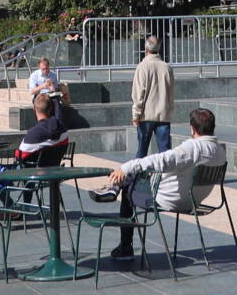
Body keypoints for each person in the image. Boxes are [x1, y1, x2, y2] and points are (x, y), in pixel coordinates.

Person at [80, 107, 227, 261]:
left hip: (172, 199)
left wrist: (126, 168)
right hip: (195, 200)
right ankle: (114, 187)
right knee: (136, 175)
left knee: (129, 187)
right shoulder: (220, 150)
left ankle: (125, 245)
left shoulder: (192, 148)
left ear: (193, 128)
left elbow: (161, 160)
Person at [131, 36, 174, 162]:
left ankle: (138, 178)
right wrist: (169, 111)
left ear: (145, 48)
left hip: (146, 115)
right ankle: (166, 177)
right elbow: (171, 92)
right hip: (163, 115)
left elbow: (138, 94)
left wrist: (135, 115)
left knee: (141, 151)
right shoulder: (166, 67)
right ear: (159, 48)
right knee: (165, 153)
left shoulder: (142, 67)